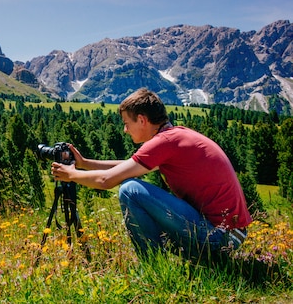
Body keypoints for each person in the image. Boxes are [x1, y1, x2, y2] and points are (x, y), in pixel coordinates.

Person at [51, 88, 252, 263]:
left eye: (126, 123)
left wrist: (72, 174)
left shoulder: (164, 142)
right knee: (132, 186)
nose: (125, 130)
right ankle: (166, 262)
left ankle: (153, 266)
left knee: (130, 190)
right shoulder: (175, 136)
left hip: (218, 237)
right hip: (232, 235)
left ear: (142, 120)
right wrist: (85, 164)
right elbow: (129, 165)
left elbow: (107, 180)